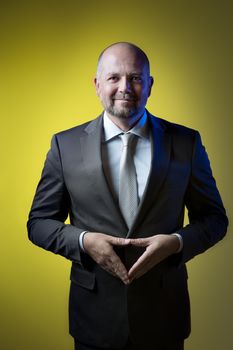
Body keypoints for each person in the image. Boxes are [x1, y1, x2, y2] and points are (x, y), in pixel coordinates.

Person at [27, 42, 228, 350]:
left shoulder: (186, 143)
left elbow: (215, 220)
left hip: (164, 316)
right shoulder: (64, 146)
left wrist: (176, 243)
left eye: (135, 77)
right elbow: (38, 223)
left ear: (150, 85)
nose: (125, 87)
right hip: (94, 319)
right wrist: (83, 242)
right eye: (114, 78)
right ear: (96, 84)